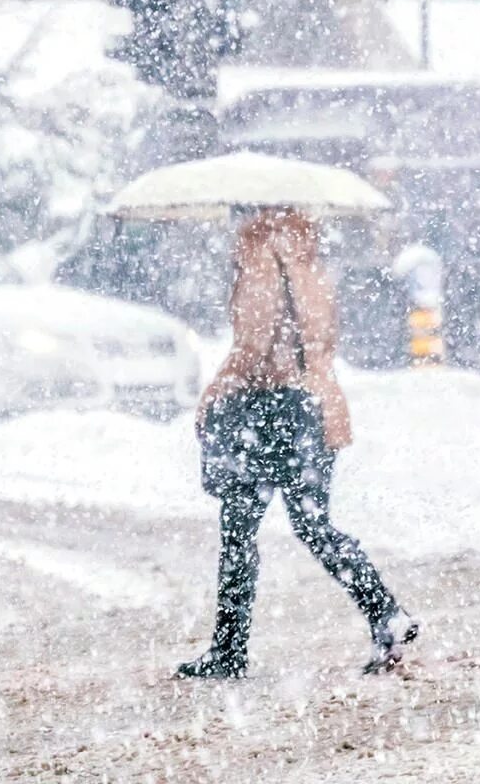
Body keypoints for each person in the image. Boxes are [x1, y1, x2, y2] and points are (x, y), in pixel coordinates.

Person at [178, 208, 416, 679]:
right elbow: (320, 340)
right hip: (315, 404)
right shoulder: (309, 260)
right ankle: (385, 612)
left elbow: (254, 345)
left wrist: (215, 390)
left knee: (239, 531)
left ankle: (229, 650)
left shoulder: (260, 258)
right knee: (314, 524)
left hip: (268, 410)